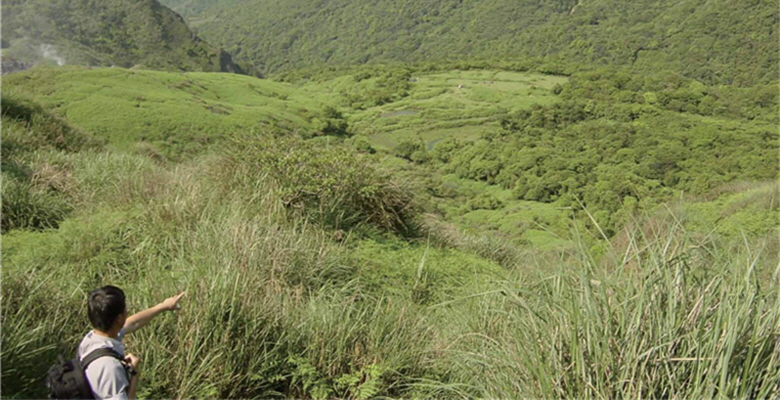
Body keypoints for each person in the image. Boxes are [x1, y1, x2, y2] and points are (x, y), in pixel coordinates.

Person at [78, 286, 185, 400]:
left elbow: (133, 323)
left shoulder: (91, 339)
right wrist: (134, 374)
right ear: (119, 318)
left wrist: (163, 306)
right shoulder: (110, 368)